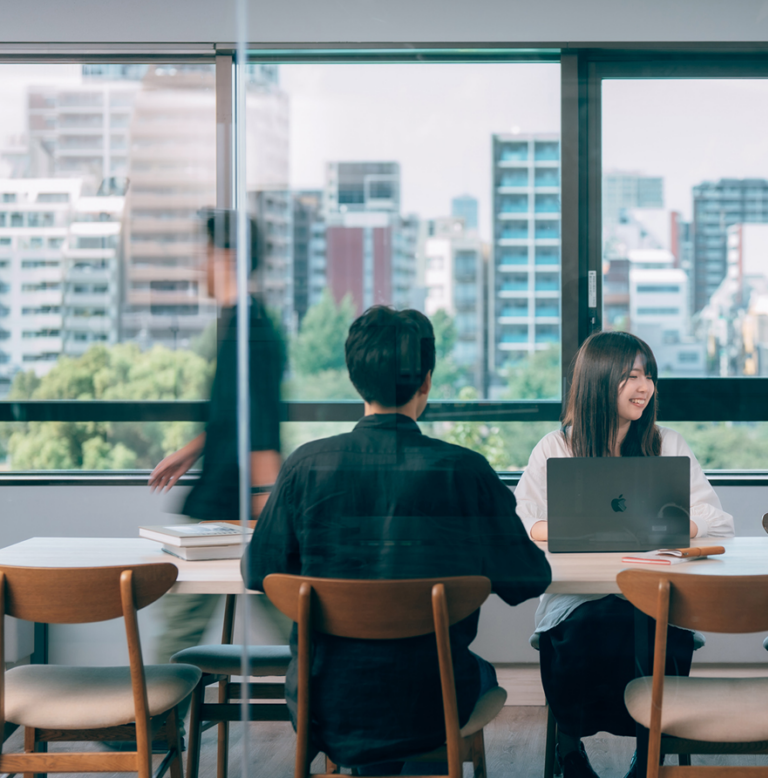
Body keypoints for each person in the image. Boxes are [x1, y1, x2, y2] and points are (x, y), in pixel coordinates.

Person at [245, 306, 552, 773]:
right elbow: (529, 578)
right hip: (434, 702)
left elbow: (257, 571)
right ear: (425, 380)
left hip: (325, 701)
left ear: (355, 378)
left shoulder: (305, 467)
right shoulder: (464, 472)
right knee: (470, 673)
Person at [515, 331, 734, 778]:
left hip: (654, 594)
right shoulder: (556, 447)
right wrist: (583, 528)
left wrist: (673, 526)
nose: (645, 387)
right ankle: (570, 748)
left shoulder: (666, 443)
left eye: (648, 376)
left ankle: (648, 751)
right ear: (599, 381)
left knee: (645, 627)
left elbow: (716, 518)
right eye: (631, 376)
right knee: (590, 626)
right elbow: (522, 520)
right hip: (578, 600)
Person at [148, 210, 291, 668]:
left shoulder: (251, 331)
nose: (199, 266)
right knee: (292, 620)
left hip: (233, 510)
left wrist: (271, 521)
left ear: (226, 256)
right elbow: (236, 410)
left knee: (182, 625)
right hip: (229, 504)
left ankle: (144, 723)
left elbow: (262, 432)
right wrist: (192, 450)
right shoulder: (237, 324)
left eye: (205, 254)